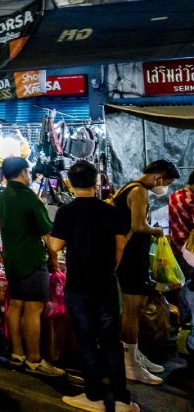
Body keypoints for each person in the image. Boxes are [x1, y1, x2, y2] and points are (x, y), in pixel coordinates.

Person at [49, 161, 138, 412]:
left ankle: (94, 397)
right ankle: (122, 400)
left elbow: (55, 246)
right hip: (106, 284)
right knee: (111, 342)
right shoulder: (111, 211)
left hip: (78, 285)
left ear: (70, 183)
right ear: (96, 181)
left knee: (86, 341)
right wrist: (109, 269)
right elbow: (119, 249)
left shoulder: (66, 212)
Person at [113, 159, 178, 384]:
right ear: (158, 176)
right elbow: (139, 225)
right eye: (166, 182)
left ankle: (133, 355)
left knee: (134, 309)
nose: (165, 187)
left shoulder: (126, 188)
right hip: (132, 258)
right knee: (133, 310)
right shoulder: (140, 191)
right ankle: (130, 364)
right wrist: (158, 231)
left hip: (128, 256)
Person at [0, 157, 64, 377]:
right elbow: (48, 233)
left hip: (12, 260)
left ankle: (17, 354)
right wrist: (54, 258)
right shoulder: (29, 198)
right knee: (33, 309)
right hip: (31, 260)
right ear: (24, 172)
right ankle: (34, 360)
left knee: (16, 305)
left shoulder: (4, 196)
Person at [169, 170, 194, 282]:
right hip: (190, 249)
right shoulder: (192, 199)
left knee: (181, 282)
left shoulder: (175, 195)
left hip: (175, 246)